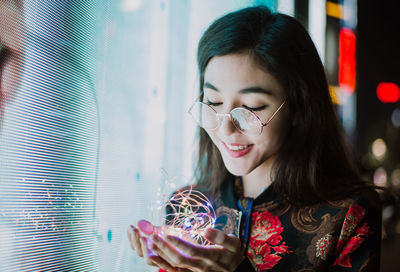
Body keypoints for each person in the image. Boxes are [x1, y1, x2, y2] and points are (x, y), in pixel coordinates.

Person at [127, 6, 382, 272]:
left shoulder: (348, 215)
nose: (226, 129)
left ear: (297, 107)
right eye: (213, 102)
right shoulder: (185, 205)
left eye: (250, 108)